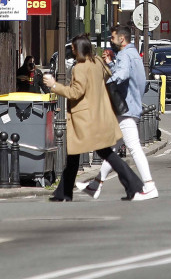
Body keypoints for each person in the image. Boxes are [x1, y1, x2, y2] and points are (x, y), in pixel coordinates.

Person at [42, 33, 146, 202]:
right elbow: (107, 74)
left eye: (74, 49)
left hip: (85, 120)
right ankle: (64, 192)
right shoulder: (97, 62)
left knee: (104, 155)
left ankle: (134, 186)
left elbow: (76, 92)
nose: (73, 52)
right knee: (76, 157)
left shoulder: (81, 68)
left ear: (78, 50)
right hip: (98, 115)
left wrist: (54, 85)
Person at [77, 25, 158, 200]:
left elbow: (122, 74)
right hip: (131, 106)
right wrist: (111, 64)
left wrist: (104, 85)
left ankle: (149, 186)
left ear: (122, 39)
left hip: (125, 108)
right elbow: (132, 77)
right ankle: (95, 185)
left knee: (134, 148)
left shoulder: (124, 54)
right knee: (112, 149)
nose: (111, 41)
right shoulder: (134, 54)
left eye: (113, 38)